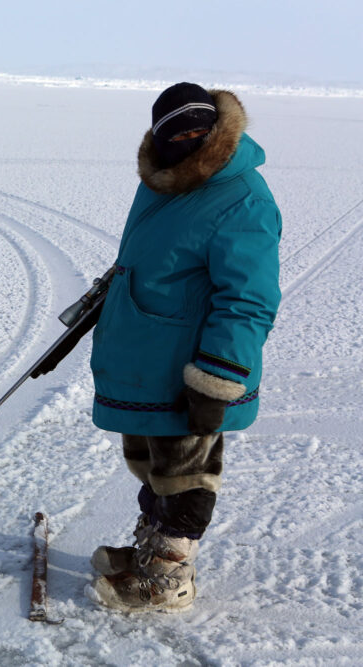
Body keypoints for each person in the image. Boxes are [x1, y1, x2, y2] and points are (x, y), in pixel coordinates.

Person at [86, 83, 282, 612]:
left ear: (217, 130)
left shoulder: (242, 198)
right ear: (160, 137)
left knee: (187, 469)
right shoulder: (163, 181)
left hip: (191, 365)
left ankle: (171, 576)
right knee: (152, 463)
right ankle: (151, 550)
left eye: (199, 130)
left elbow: (248, 299)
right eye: (175, 133)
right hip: (145, 355)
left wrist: (218, 375)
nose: (189, 140)